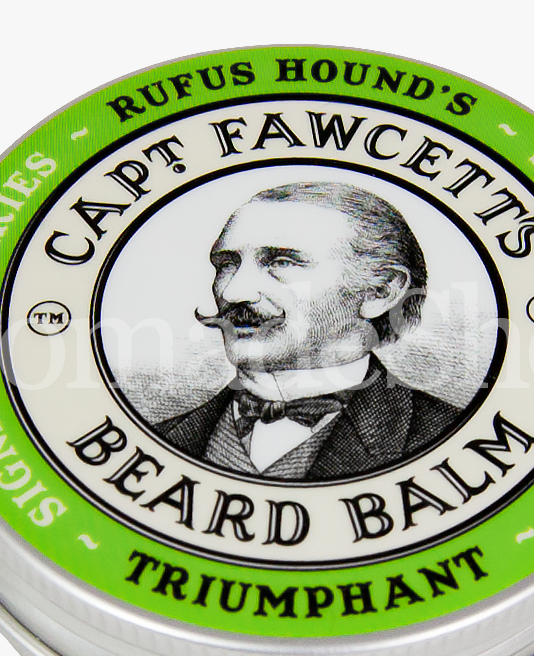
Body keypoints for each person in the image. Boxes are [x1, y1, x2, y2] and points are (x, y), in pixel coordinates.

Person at [153, 181, 461, 480]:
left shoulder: (446, 436)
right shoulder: (164, 438)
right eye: (227, 264)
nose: (234, 293)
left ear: (381, 291)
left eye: (282, 262)